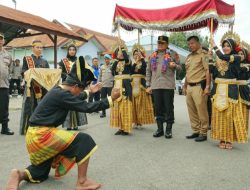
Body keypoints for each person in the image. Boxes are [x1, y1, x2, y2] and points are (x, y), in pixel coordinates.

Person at [6, 56, 120, 190]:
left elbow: (76, 96)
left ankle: (18, 174)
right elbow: (87, 107)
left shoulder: (59, 91)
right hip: (42, 136)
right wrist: (111, 99)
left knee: (39, 173)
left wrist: (89, 91)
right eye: (81, 88)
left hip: (33, 138)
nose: (80, 92)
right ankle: (82, 182)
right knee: (84, 140)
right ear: (76, 86)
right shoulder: (63, 95)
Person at [210, 36, 247, 149]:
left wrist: (214, 45)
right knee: (219, 116)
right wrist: (209, 58)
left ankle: (229, 140)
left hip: (230, 91)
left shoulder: (236, 57)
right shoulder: (218, 59)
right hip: (218, 90)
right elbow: (211, 70)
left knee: (229, 116)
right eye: (224, 46)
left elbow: (222, 56)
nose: (225, 48)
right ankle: (221, 138)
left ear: (232, 48)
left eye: (228, 46)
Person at [146, 35, 181, 138]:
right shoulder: (152, 55)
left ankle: (168, 130)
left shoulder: (173, 54)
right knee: (157, 108)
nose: (160, 45)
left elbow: (180, 68)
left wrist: (175, 65)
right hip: (156, 86)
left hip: (168, 86)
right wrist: (148, 85)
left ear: (167, 44)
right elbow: (148, 71)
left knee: (169, 108)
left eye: (162, 43)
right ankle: (160, 129)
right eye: (159, 43)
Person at [182, 36, 210, 142]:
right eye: (189, 44)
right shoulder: (189, 56)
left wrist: (207, 87)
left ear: (198, 43)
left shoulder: (204, 55)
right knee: (192, 110)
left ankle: (203, 132)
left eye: (192, 43)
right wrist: (184, 86)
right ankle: (196, 131)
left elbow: (208, 71)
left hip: (199, 87)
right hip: (189, 87)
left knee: (201, 110)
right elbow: (188, 73)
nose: (190, 45)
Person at [19, 40, 50, 135]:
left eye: (41, 48)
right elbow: (23, 71)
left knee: (41, 107)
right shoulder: (27, 59)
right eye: (38, 47)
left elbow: (48, 73)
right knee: (29, 107)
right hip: (31, 87)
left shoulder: (44, 61)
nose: (40, 49)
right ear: (33, 48)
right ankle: (27, 128)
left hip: (42, 88)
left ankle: (40, 127)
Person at [59, 44, 88, 130]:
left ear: (75, 51)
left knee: (76, 102)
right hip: (67, 85)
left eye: (73, 50)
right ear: (68, 51)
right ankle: (68, 124)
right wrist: (68, 76)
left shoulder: (79, 60)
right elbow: (60, 72)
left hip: (77, 85)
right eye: (70, 49)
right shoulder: (63, 61)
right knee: (67, 103)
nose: (72, 51)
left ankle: (76, 124)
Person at [110, 42, 133, 135]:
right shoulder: (115, 62)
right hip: (116, 86)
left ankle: (126, 128)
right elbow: (112, 71)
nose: (120, 54)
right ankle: (120, 128)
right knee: (117, 108)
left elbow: (127, 59)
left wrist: (122, 50)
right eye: (118, 53)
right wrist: (116, 58)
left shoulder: (128, 62)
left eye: (121, 53)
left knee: (125, 108)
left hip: (125, 87)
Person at [131, 43, 155, 129]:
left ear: (141, 54)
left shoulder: (144, 63)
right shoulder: (132, 64)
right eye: (134, 54)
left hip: (141, 86)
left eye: (137, 54)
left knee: (140, 105)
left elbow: (144, 70)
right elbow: (131, 72)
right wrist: (135, 62)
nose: (136, 56)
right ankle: (134, 121)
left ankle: (140, 122)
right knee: (133, 105)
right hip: (133, 86)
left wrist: (141, 59)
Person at [0, 32, 14, 135]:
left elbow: (10, 69)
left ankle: (5, 128)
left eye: (1, 39)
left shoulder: (8, 55)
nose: (0, 40)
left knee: (4, 107)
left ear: (3, 41)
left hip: (4, 85)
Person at [236, 46, 250, 132]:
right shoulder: (233, 64)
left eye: (242, 54)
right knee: (235, 110)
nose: (240, 55)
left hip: (244, 89)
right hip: (233, 88)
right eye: (238, 54)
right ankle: (236, 131)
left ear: (245, 55)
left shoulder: (248, 65)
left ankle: (244, 131)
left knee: (244, 110)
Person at [98, 54, 114, 118]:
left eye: (108, 59)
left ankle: (113, 113)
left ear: (110, 59)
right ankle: (103, 113)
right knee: (103, 100)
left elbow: (115, 76)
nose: (106, 60)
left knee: (111, 99)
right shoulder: (102, 67)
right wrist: (99, 84)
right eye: (105, 59)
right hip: (103, 86)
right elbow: (100, 76)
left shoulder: (112, 66)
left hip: (110, 86)